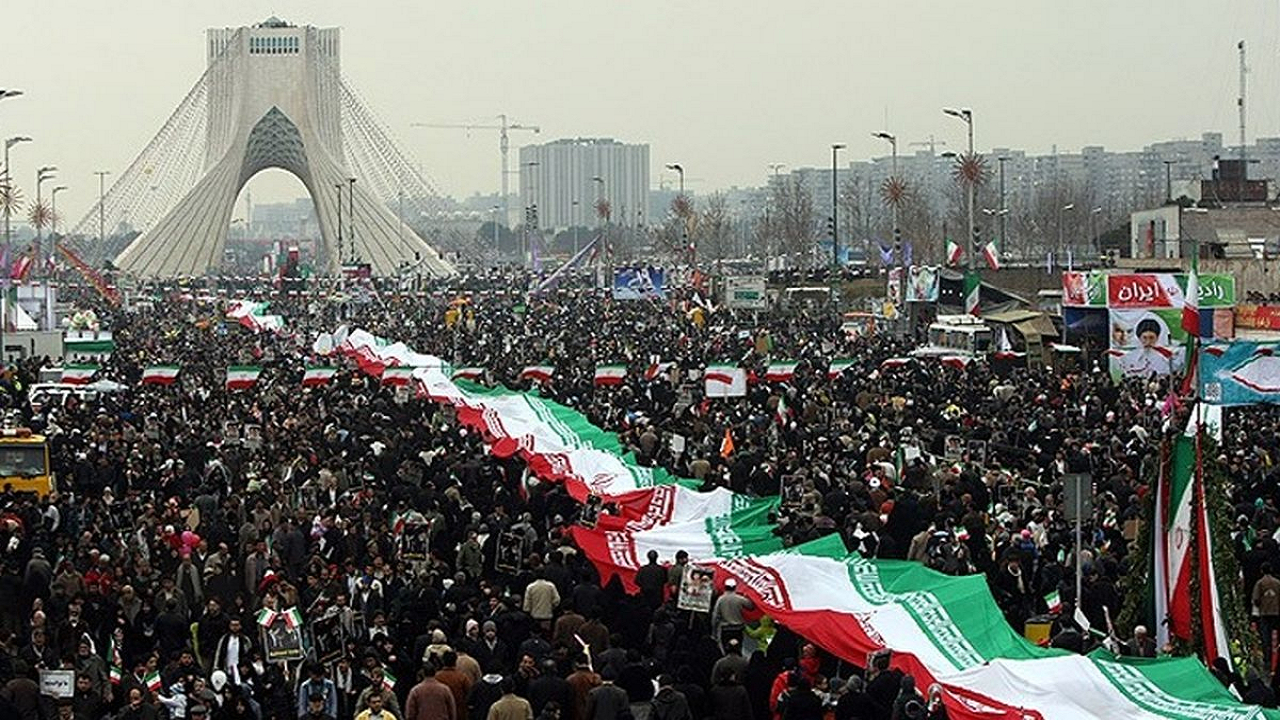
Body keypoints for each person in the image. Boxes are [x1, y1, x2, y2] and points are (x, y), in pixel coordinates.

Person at [710, 579, 753, 650]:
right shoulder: (740, 599)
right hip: (738, 629)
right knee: (738, 649)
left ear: (725, 587)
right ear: (735, 587)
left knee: (726, 649)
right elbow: (751, 606)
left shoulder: (720, 599)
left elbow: (715, 616)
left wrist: (714, 631)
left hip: (726, 629)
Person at [1254, 563, 1280, 663]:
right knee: (1276, 635)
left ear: (1261, 571)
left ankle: (1267, 657)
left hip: (1264, 613)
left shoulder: (1260, 583)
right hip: (1277, 613)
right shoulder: (1278, 582)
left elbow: (1256, 599)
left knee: (1266, 636)